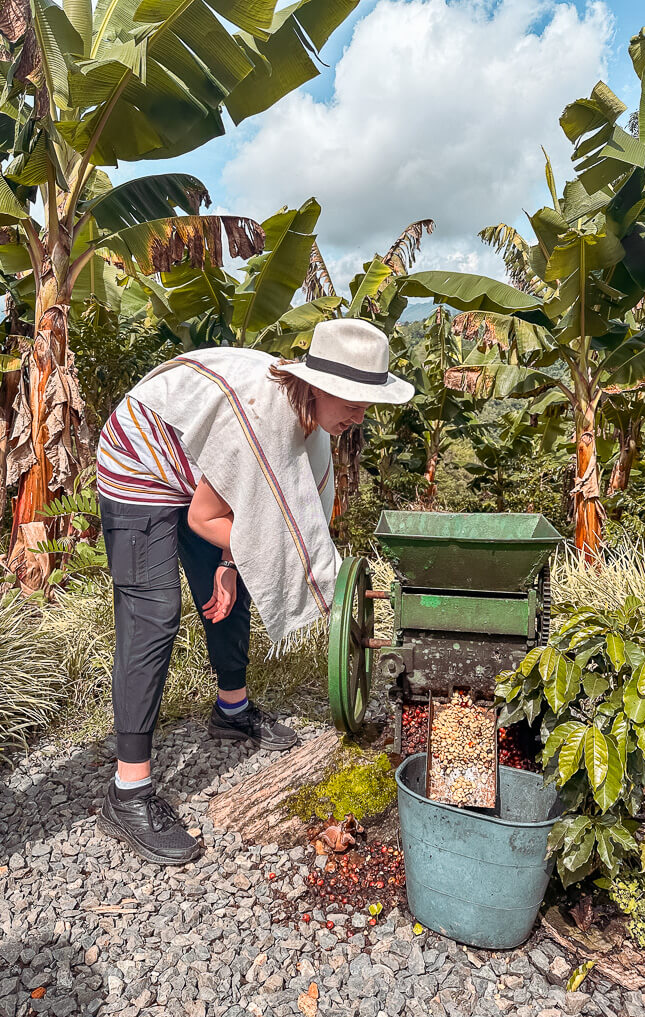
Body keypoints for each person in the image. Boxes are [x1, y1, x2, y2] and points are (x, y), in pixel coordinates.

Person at [95, 318, 414, 864]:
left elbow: (254, 512)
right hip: (140, 462)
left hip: (198, 475)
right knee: (155, 614)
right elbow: (206, 517)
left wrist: (231, 562)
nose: (361, 413)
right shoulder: (264, 418)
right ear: (315, 383)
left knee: (233, 585)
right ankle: (128, 791)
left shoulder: (311, 428)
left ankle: (232, 711)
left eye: (370, 400)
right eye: (353, 399)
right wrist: (245, 552)